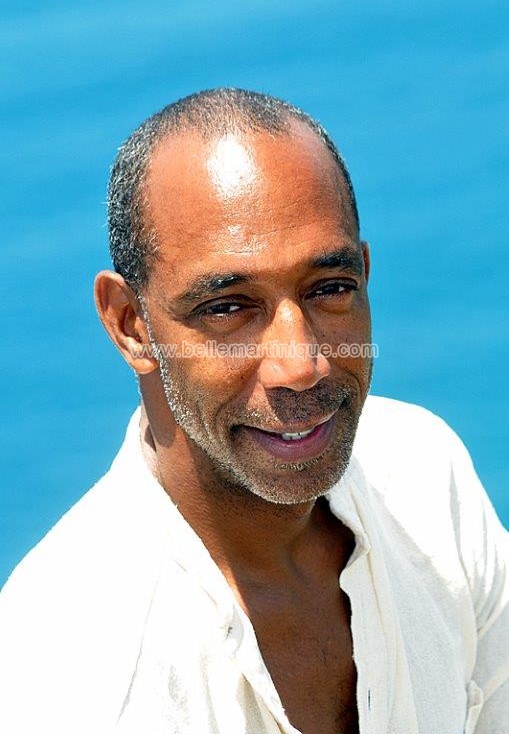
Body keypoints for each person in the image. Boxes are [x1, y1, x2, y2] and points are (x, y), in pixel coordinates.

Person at [0, 88, 507, 734]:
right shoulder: (71, 683)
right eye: (227, 307)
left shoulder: (426, 480)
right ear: (131, 325)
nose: (301, 365)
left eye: (329, 289)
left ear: (364, 275)